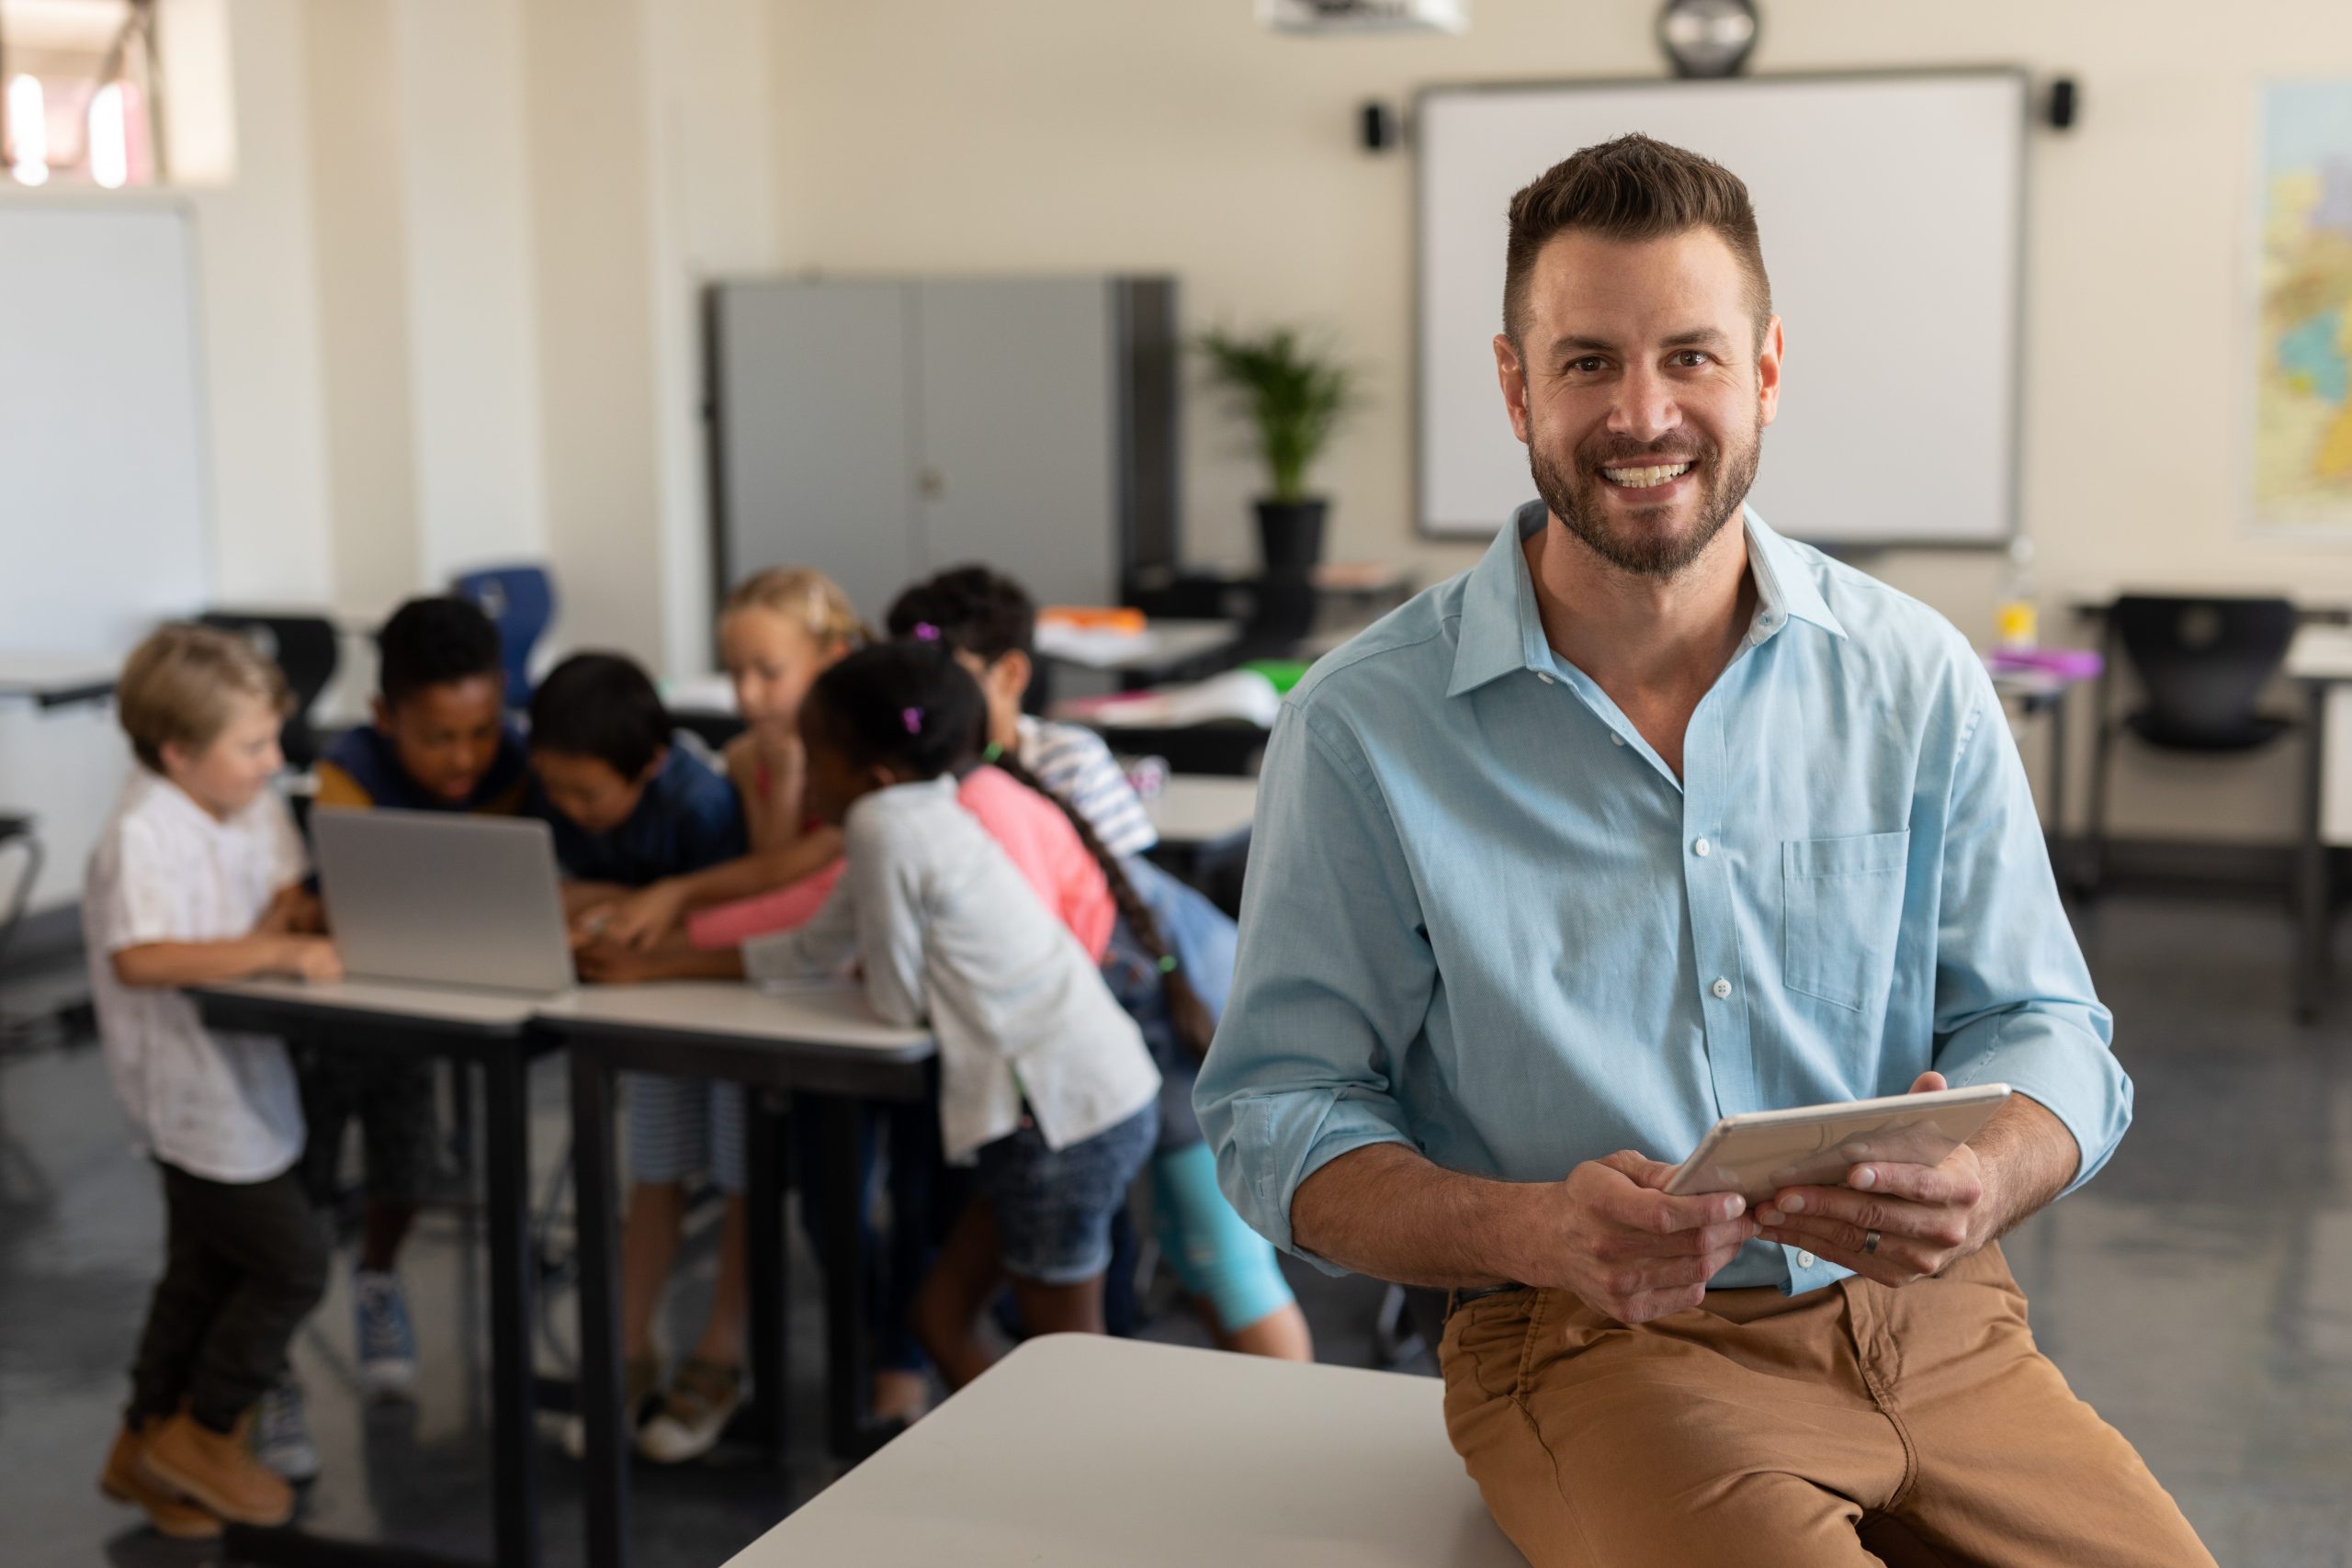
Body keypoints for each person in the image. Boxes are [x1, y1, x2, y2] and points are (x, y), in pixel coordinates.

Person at [1194, 134, 2216, 1567]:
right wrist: (1538, 1230)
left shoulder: (1913, 673)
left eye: (1691, 356)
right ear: (1516, 387)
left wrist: (1986, 1176)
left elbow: (2047, 1025)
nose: (1644, 411)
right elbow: (1277, 1114)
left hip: (1941, 1328)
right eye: (1589, 362)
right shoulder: (1368, 725)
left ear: (1768, 371)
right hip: (1595, 1342)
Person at [886, 568, 1313, 1360]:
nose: (921, 693)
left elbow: (1117, 918)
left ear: (1009, 674)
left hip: (1170, 1018)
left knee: (1220, 1263)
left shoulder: (1058, 761)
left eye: (943, 672)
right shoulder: (936, 784)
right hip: (1081, 1056)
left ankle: (1313, 1452)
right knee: (1143, 1259)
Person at [739, 641, 1160, 1390]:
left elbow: (898, 1001)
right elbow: (816, 945)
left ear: (870, 776)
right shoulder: (927, 804)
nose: (803, 777)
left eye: (814, 755)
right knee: (938, 1319)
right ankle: (1026, 1472)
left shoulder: (881, 824)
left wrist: (874, 962)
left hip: (1057, 1119)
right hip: (1088, 1097)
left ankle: (1063, 1488)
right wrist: (657, 962)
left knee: (1071, 1369)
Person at [85, 625, 341, 1540]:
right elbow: (142, 956)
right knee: (290, 1264)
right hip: (189, 1094)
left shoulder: (247, 803)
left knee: (199, 1272)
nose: (275, 762)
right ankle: (207, 1432)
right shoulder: (142, 831)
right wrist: (274, 946)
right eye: (254, 747)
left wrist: (286, 913)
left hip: (249, 1077)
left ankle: (142, 1446)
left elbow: (282, 886)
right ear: (179, 753)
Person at [527, 653, 753, 1461]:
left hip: (734, 1019)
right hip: (641, 1009)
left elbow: (728, 912)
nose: (569, 809)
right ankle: (626, 1348)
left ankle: (722, 1353)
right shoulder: (556, 784)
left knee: (742, 1178)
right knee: (651, 1171)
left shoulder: (701, 802)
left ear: (650, 766)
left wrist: (616, 913)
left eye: (588, 795)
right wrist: (618, 911)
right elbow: (544, 892)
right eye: (557, 791)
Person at [305, 595, 529, 1398]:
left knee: (406, 1163)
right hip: (350, 1005)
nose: (465, 759)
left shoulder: (518, 762)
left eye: (481, 729)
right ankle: (273, 1352)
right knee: (304, 1176)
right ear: (384, 716)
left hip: (453, 999)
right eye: (438, 737)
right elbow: (343, 895)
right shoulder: (348, 773)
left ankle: (376, 1277)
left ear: (502, 691)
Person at [582, 567, 863, 952]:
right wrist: (782, 777)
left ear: (832, 661)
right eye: (735, 673)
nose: (746, 695)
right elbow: (766, 872)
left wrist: (677, 893)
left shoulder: (859, 762)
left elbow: (794, 877)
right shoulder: (745, 757)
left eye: (769, 672)